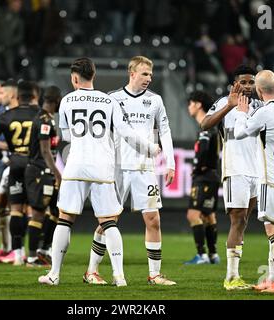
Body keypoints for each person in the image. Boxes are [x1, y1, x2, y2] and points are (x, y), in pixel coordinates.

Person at [38, 57, 159, 286]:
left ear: (75, 78)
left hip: (75, 166)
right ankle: (119, 276)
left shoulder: (66, 101)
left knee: (65, 219)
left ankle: (53, 275)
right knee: (108, 222)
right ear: (94, 75)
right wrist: (150, 148)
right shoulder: (108, 100)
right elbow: (127, 133)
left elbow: (66, 136)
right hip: (102, 167)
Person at [83, 56, 176, 286]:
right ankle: (91, 271)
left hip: (145, 167)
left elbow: (164, 131)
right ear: (131, 73)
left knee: (153, 220)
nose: (149, 78)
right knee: (109, 219)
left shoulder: (155, 100)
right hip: (117, 167)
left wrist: (171, 162)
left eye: (151, 75)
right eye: (144, 74)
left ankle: (154, 274)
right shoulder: (113, 99)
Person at [201, 64, 263, 290]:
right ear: (234, 84)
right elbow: (205, 124)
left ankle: (235, 276)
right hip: (235, 169)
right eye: (243, 82)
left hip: (257, 171)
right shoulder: (223, 102)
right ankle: (231, 277)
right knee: (237, 220)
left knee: (244, 221)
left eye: (251, 82)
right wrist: (228, 106)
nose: (248, 86)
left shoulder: (260, 105)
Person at [234, 70, 274, 293]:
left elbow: (240, 133)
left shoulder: (263, 113)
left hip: (270, 178)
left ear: (259, 91)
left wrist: (242, 113)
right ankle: (271, 278)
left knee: (272, 230)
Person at [0, 81, 40, 266]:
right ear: (33, 96)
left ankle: (17, 255)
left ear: (17, 96)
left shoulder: (6, 116)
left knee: (15, 210)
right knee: (34, 210)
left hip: (15, 164)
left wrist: (3, 157)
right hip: (34, 165)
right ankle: (33, 255)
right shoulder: (40, 115)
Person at [25, 85, 62, 267]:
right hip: (40, 171)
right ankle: (31, 257)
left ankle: (43, 250)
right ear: (56, 101)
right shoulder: (44, 121)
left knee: (56, 210)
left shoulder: (46, 118)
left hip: (46, 170)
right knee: (38, 212)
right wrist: (58, 174)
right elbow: (45, 151)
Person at [183, 91, 220, 265]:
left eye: (190, 103)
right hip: (213, 175)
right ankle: (213, 255)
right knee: (208, 215)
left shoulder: (206, 126)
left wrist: (198, 167)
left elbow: (204, 150)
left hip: (204, 177)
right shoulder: (213, 126)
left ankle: (201, 255)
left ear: (198, 104)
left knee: (193, 215)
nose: (189, 107)